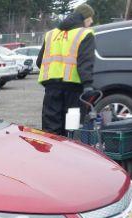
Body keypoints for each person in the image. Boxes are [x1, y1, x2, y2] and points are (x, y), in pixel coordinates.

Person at [37, 3, 96, 135]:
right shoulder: (85, 34)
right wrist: (88, 84)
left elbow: (39, 62)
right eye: (90, 18)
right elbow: (85, 62)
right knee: (71, 128)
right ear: (84, 17)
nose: (91, 21)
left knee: (51, 129)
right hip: (73, 89)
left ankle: (52, 154)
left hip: (51, 88)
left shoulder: (51, 34)